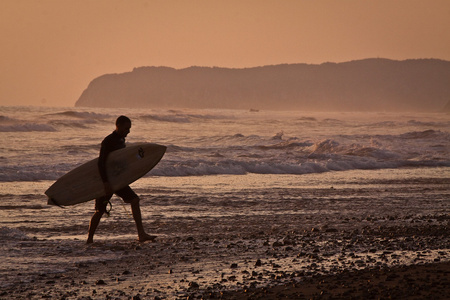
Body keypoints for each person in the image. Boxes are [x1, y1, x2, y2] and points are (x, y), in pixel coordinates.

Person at [87, 115, 156, 243]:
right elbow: (101, 163)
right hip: (108, 180)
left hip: (118, 180)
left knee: (135, 200)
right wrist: (106, 183)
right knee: (99, 210)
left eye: (129, 129)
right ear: (118, 126)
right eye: (126, 128)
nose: (128, 131)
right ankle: (89, 239)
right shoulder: (108, 141)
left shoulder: (121, 141)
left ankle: (141, 234)